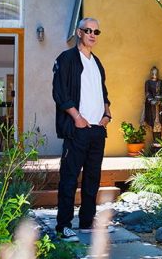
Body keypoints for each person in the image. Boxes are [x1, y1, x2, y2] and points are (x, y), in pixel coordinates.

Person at [52, 17, 112, 242]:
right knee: (69, 178)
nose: (92, 34)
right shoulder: (67, 59)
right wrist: (76, 117)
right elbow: (59, 93)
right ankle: (63, 226)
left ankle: (87, 222)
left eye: (97, 31)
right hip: (77, 130)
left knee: (92, 178)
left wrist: (107, 114)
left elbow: (103, 93)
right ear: (79, 32)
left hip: (97, 130)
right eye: (88, 30)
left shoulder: (97, 63)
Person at [142, 66, 162, 144]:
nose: (154, 74)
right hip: (151, 106)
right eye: (153, 73)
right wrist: (151, 100)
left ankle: (159, 140)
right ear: (151, 73)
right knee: (153, 121)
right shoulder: (148, 82)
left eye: (156, 73)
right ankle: (155, 141)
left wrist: (160, 98)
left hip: (160, 105)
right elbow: (147, 93)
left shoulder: (161, 82)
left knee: (160, 120)